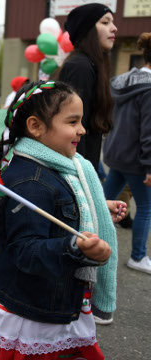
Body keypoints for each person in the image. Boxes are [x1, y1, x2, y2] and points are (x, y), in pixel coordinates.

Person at [0, 80, 123, 359]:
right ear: (36, 126)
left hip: (51, 299)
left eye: (82, 120)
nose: (82, 129)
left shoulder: (57, 165)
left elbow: (60, 209)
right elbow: (26, 251)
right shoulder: (31, 183)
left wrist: (98, 207)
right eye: (73, 121)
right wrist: (76, 247)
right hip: (35, 312)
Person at [102, 32, 151, 275]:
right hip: (136, 160)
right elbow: (148, 132)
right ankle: (138, 257)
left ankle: (79, 232)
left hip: (116, 153)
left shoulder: (124, 80)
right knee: (145, 207)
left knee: (100, 201)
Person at [58, 3, 117, 172]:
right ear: (88, 31)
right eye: (105, 23)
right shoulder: (80, 67)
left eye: (112, 22)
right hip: (77, 169)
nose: (114, 28)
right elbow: (73, 127)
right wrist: (82, 176)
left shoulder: (91, 65)